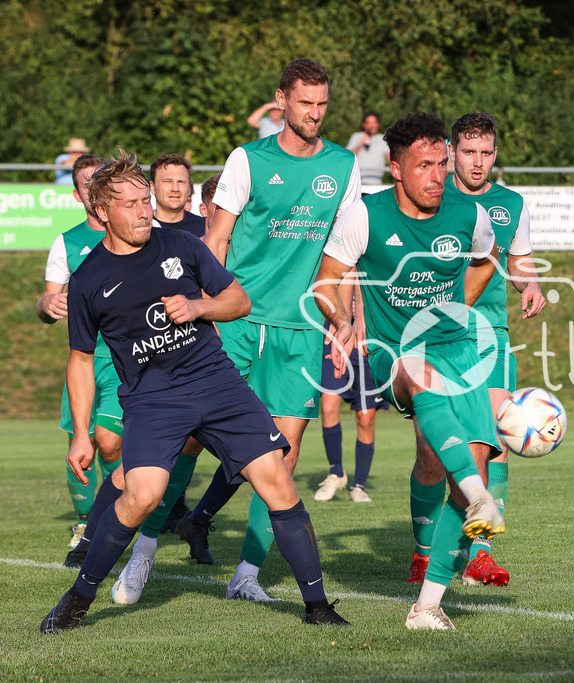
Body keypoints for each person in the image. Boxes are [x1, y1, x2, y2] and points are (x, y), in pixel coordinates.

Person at [40, 149, 350, 633]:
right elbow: (80, 360)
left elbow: (238, 299)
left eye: (146, 200)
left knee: (278, 480)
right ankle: (79, 598)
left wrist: (198, 307)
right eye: (130, 204)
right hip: (152, 399)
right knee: (143, 495)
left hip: (217, 384)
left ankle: (318, 607)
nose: (144, 211)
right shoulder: (87, 281)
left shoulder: (180, 245)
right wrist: (80, 434)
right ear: (102, 212)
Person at [172, 58, 360, 602]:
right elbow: (217, 241)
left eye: (323, 104)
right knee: (189, 435)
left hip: (299, 328)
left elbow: (342, 258)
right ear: (282, 101)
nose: (315, 114)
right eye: (305, 103)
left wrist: (344, 321)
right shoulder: (247, 159)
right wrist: (202, 309)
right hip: (236, 320)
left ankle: (247, 575)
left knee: (281, 457)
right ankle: (142, 550)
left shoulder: (345, 166)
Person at [313, 111, 504, 630]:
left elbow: (488, 260)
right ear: (396, 168)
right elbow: (327, 281)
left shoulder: (469, 215)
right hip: (389, 352)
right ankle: (481, 498)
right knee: (420, 374)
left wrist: (453, 310)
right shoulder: (364, 217)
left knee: (447, 466)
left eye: (443, 164)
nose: (438, 176)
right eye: (425, 166)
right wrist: (343, 325)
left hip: (459, 348)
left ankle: (428, 605)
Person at [401, 111, 544, 588]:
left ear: (495, 155)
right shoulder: (434, 196)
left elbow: (519, 260)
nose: (477, 162)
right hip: (436, 339)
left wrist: (531, 284)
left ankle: (480, 551)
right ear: (451, 151)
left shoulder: (512, 204)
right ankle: (424, 549)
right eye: (468, 153)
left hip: (491, 337)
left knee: (495, 440)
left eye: (486, 153)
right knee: (431, 452)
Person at [36, 154, 124, 553]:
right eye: (86, 183)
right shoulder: (67, 242)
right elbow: (47, 301)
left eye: (99, 180)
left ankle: (116, 513)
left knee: (108, 441)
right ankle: (86, 522)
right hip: (85, 359)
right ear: (77, 194)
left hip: (127, 358)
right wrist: (47, 306)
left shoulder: (137, 234)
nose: (93, 188)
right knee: (80, 439)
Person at [314, 296, 390, 503]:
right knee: (328, 406)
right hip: (336, 334)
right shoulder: (338, 263)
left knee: (365, 419)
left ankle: (359, 486)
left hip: (369, 339)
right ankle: (336, 473)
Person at [150, 154, 207, 239]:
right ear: (153, 187)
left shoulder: (205, 228)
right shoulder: (141, 226)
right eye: (168, 181)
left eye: (181, 182)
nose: (175, 189)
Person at [346, 111, 389, 185]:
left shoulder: (383, 139)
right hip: (358, 182)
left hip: (376, 183)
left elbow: (391, 158)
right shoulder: (356, 136)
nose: (372, 126)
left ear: (378, 124)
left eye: (374, 123)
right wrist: (360, 144)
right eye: (369, 123)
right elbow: (347, 156)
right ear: (364, 125)